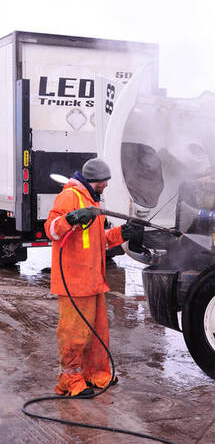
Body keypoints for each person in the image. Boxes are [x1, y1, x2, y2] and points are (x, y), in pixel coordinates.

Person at [44, 157, 136, 397]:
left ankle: (96, 374)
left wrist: (121, 234)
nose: (105, 186)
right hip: (73, 283)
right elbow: (51, 230)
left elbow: (99, 242)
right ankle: (70, 378)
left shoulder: (92, 201)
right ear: (92, 180)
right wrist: (71, 218)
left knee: (97, 334)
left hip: (94, 282)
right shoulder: (70, 197)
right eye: (103, 183)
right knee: (75, 335)